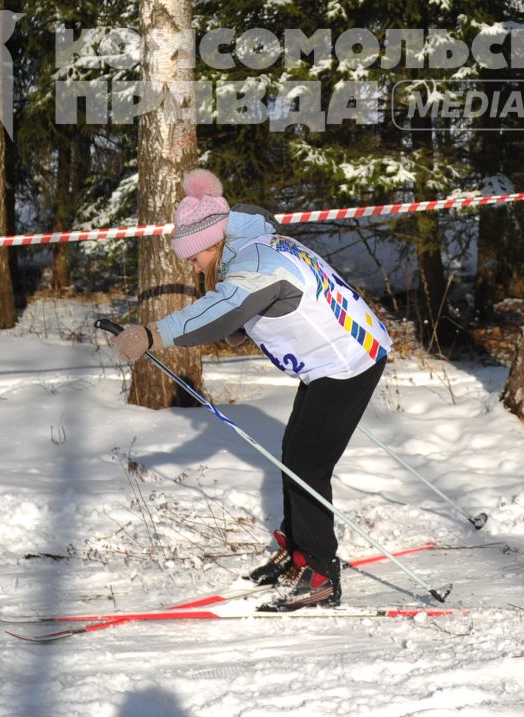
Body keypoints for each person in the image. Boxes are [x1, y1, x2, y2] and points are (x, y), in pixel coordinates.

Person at [109, 168, 394, 613]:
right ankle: (298, 550)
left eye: (192, 256)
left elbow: (218, 310)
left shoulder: (254, 265)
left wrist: (151, 333)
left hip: (349, 362)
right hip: (338, 355)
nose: (192, 265)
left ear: (210, 242)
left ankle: (320, 573)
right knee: (295, 452)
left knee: (307, 465)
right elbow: (253, 273)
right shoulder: (250, 237)